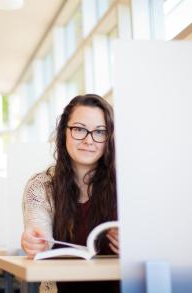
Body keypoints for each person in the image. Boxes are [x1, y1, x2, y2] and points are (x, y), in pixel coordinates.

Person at [21, 94, 119, 293]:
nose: (89, 140)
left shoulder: (126, 185)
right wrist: (34, 243)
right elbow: (40, 239)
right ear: (63, 132)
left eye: (100, 132)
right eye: (79, 129)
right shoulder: (41, 187)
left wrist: (136, 246)